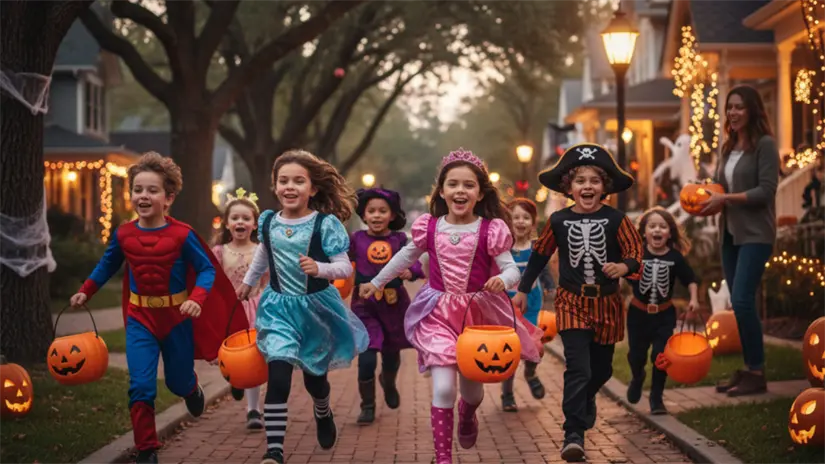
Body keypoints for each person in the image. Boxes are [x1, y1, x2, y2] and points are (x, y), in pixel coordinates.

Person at [359, 148, 544, 464]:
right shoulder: (429, 226)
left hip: (478, 317)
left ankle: (468, 414)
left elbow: (511, 267)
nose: (461, 191)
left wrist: (505, 279)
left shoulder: (490, 228)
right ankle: (443, 457)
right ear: (442, 190)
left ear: (480, 192)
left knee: (471, 392)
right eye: (453, 184)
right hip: (439, 314)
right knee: (443, 387)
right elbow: (404, 258)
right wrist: (376, 281)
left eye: (468, 185)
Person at [70, 152, 245, 464]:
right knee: (140, 386)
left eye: (152, 190)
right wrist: (86, 291)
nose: (144, 196)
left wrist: (197, 298)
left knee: (177, 381)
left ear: (168, 198)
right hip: (141, 319)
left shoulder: (182, 234)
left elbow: (207, 269)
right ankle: (147, 449)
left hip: (177, 318)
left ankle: (190, 388)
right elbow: (107, 265)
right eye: (138, 189)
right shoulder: (123, 233)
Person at [513, 143, 643, 462]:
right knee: (577, 368)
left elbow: (635, 253)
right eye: (580, 180)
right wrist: (522, 289)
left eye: (594, 180)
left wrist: (624, 267)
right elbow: (539, 256)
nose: (587, 186)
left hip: (607, 304)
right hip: (571, 302)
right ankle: (574, 433)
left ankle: (586, 399)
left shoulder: (617, 219)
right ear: (570, 187)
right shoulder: (557, 220)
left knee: (600, 370)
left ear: (605, 187)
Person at [238, 150, 369, 464]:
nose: (290, 187)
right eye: (283, 180)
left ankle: (322, 410)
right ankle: (274, 451)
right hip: (278, 308)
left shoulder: (325, 224)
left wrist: (320, 268)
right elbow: (263, 257)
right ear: (275, 186)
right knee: (279, 375)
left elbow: (344, 269)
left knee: (315, 380)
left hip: (315, 310)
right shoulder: (268, 221)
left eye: (298, 181)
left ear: (312, 189)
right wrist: (248, 282)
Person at [700, 84, 779, 396]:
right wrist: (703, 197)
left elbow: (766, 191)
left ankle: (757, 372)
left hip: (756, 234)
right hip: (729, 234)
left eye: (739, 107)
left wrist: (725, 198)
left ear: (752, 110)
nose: (732, 112)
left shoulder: (765, 145)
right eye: (729, 107)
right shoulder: (728, 147)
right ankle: (748, 369)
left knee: (744, 300)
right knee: (738, 302)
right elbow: (721, 188)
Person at [349, 188, 424, 424]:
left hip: (394, 305)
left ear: (392, 215)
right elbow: (339, 262)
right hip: (365, 305)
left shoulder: (400, 240)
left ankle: (389, 382)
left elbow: (416, 265)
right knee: (367, 356)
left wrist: (409, 272)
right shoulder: (356, 240)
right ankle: (367, 406)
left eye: (383, 211)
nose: (377, 215)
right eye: (371, 211)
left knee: (391, 356)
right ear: (364, 214)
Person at [626, 207, 698, 415]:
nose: (657, 230)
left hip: (664, 315)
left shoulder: (675, 258)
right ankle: (637, 376)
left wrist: (693, 299)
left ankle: (656, 398)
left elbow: (691, 279)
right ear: (644, 231)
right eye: (652, 226)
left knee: (661, 356)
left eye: (663, 226)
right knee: (636, 355)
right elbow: (622, 274)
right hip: (638, 315)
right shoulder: (636, 255)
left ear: (670, 232)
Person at [211, 188, 270, 429]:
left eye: (246, 218)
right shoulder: (219, 252)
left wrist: (265, 298)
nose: (240, 222)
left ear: (255, 225)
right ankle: (236, 380)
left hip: (256, 310)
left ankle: (253, 410)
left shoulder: (261, 251)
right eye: (235, 218)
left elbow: (268, 281)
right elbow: (212, 282)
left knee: (254, 358)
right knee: (234, 356)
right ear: (227, 223)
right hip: (229, 312)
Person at [500, 198, 555, 412]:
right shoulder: (504, 248)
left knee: (535, 346)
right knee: (510, 351)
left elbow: (544, 269)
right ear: (508, 221)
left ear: (533, 222)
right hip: (508, 305)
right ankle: (507, 394)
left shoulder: (536, 247)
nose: (520, 222)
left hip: (531, 303)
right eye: (516, 218)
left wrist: (550, 286)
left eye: (526, 218)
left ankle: (531, 373)